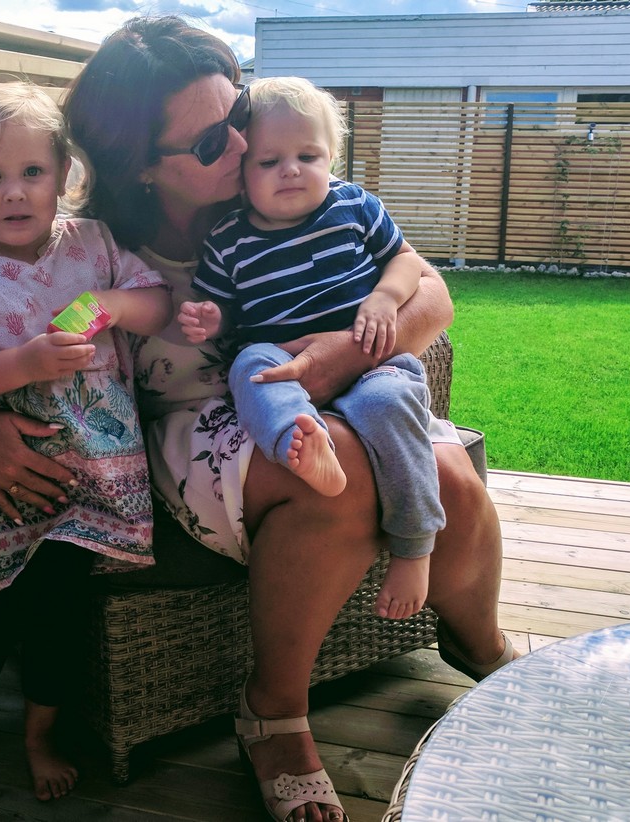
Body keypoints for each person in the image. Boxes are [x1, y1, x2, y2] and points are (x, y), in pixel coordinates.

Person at [0, 17, 518, 822]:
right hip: (195, 424)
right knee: (336, 466)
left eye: (238, 115)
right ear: (142, 167)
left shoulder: (291, 188)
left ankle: (481, 646)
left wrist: (341, 356)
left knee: (450, 471)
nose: (247, 146)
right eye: (214, 142)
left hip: (339, 384)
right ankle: (273, 714)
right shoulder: (85, 247)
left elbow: (432, 295)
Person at [0, 82, 172, 801]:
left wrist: (110, 304)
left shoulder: (94, 245)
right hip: (4, 489)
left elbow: (157, 304)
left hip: (94, 486)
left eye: (32, 172)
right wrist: (21, 364)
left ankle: (38, 735)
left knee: (56, 619)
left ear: (62, 175)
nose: (15, 192)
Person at [178, 76, 445, 621]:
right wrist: (210, 317)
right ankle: (299, 443)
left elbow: (405, 261)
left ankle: (414, 546)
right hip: (282, 361)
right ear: (242, 172)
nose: (291, 170)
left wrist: (385, 299)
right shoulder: (229, 239)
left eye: (308, 156)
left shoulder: (355, 206)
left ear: (332, 159)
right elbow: (222, 307)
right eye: (269, 161)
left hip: (370, 358)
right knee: (250, 366)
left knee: (390, 404)